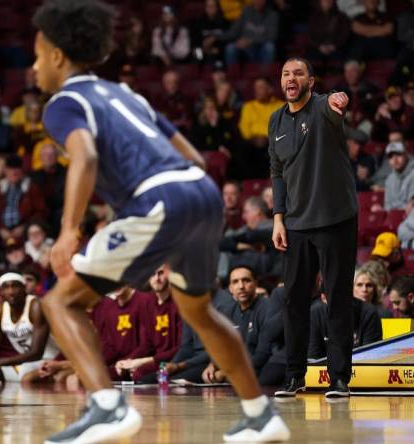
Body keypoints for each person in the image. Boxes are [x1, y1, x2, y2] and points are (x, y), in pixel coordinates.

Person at [32, 1, 289, 442]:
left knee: (59, 302)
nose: (34, 67)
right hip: (201, 192)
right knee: (199, 311)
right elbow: (190, 155)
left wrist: (68, 230)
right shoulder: (125, 93)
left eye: (37, 56)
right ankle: (260, 414)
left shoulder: (62, 104)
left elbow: (87, 158)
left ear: (57, 55)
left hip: (160, 199)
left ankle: (107, 407)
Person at [269, 58, 357, 399]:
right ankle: (294, 376)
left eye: (298, 73)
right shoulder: (275, 119)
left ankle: (339, 379)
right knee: (293, 301)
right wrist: (278, 217)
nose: (291, 78)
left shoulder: (323, 107)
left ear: (311, 80)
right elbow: (277, 171)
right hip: (295, 224)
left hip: (335, 219)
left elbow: (338, 103)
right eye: (286, 74)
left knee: (337, 299)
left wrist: (340, 100)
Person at [0, 273, 58, 381]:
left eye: (15, 286)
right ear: (0, 292)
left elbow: (36, 353)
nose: (11, 292)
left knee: (25, 375)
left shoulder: (35, 306)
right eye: (6, 288)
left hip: (52, 358)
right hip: (27, 362)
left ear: (24, 288)